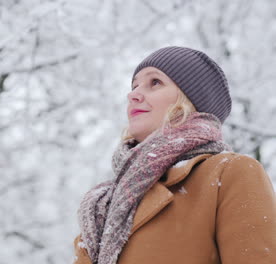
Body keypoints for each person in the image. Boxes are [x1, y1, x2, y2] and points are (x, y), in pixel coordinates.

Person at [73, 46, 276, 264]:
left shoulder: (229, 172)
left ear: (191, 100)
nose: (133, 94)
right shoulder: (104, 203)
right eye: (134, 86)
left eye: (155, 82)